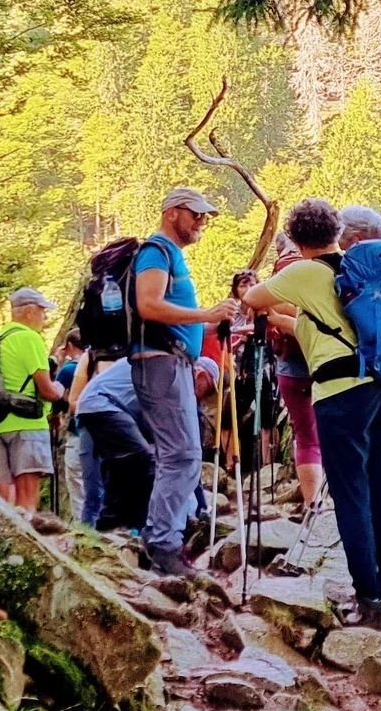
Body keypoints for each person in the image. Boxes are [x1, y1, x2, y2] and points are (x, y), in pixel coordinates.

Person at [243, 197, 381, 631]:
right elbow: (312, 324)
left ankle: (368, 601)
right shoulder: (361, 267)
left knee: (352, 497)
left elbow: (253, 297)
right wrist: (289, 318)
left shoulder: (303, 270)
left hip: (341, 394)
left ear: (297, 240)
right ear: (338, 232)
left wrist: (263, 298)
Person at [130, 185, 241, 575]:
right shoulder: (156, 252)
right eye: (196, 214)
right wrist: (205, 314)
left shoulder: (168, 254)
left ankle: (162, 537)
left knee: (178, 454)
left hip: (170, 362)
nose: (202, 221)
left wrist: (212, 320)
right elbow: (149, 305)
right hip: (161, 362)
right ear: (172, 213)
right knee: (182, 454)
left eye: (205, 215)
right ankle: (163, 544)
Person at [261, 231, 326, 509]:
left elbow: (262, 308)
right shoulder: (324, 265)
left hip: (292, 362)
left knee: (306, 435)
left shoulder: (280, 275)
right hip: (327, 357)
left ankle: (314, 504)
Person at [0, 285, 64, 512]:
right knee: (26, 504)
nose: (45, 316)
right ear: (29, 311)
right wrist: (60, 389)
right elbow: (47, 390)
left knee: (3, 501)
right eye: (42, 310)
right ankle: (26, 544)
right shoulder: (29, 339)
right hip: (27, 425)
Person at [71, 355, 155, 531]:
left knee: (126, 468)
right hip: (99, 406)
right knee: (140, 457)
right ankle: (106, 527)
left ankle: (124, 526)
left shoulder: (146, 360)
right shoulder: (154, 361)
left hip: (107, 409)